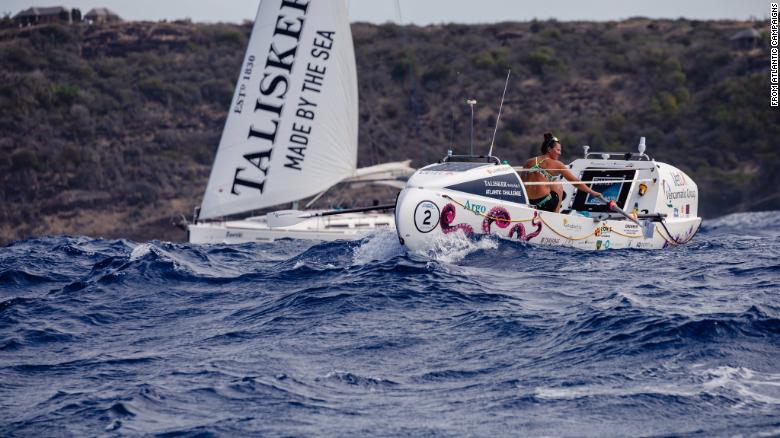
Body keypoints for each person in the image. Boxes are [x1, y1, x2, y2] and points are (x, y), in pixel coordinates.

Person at [521, 132, 601, 213]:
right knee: (557, 185)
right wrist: (592, 192)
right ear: (549, 149)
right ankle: (556, 216)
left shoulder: (528, 162)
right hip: (543, 204)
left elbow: (522, 184)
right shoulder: (557, 164)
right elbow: (575, 182)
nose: (560, 153)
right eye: (558, 150)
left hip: (527, 203)